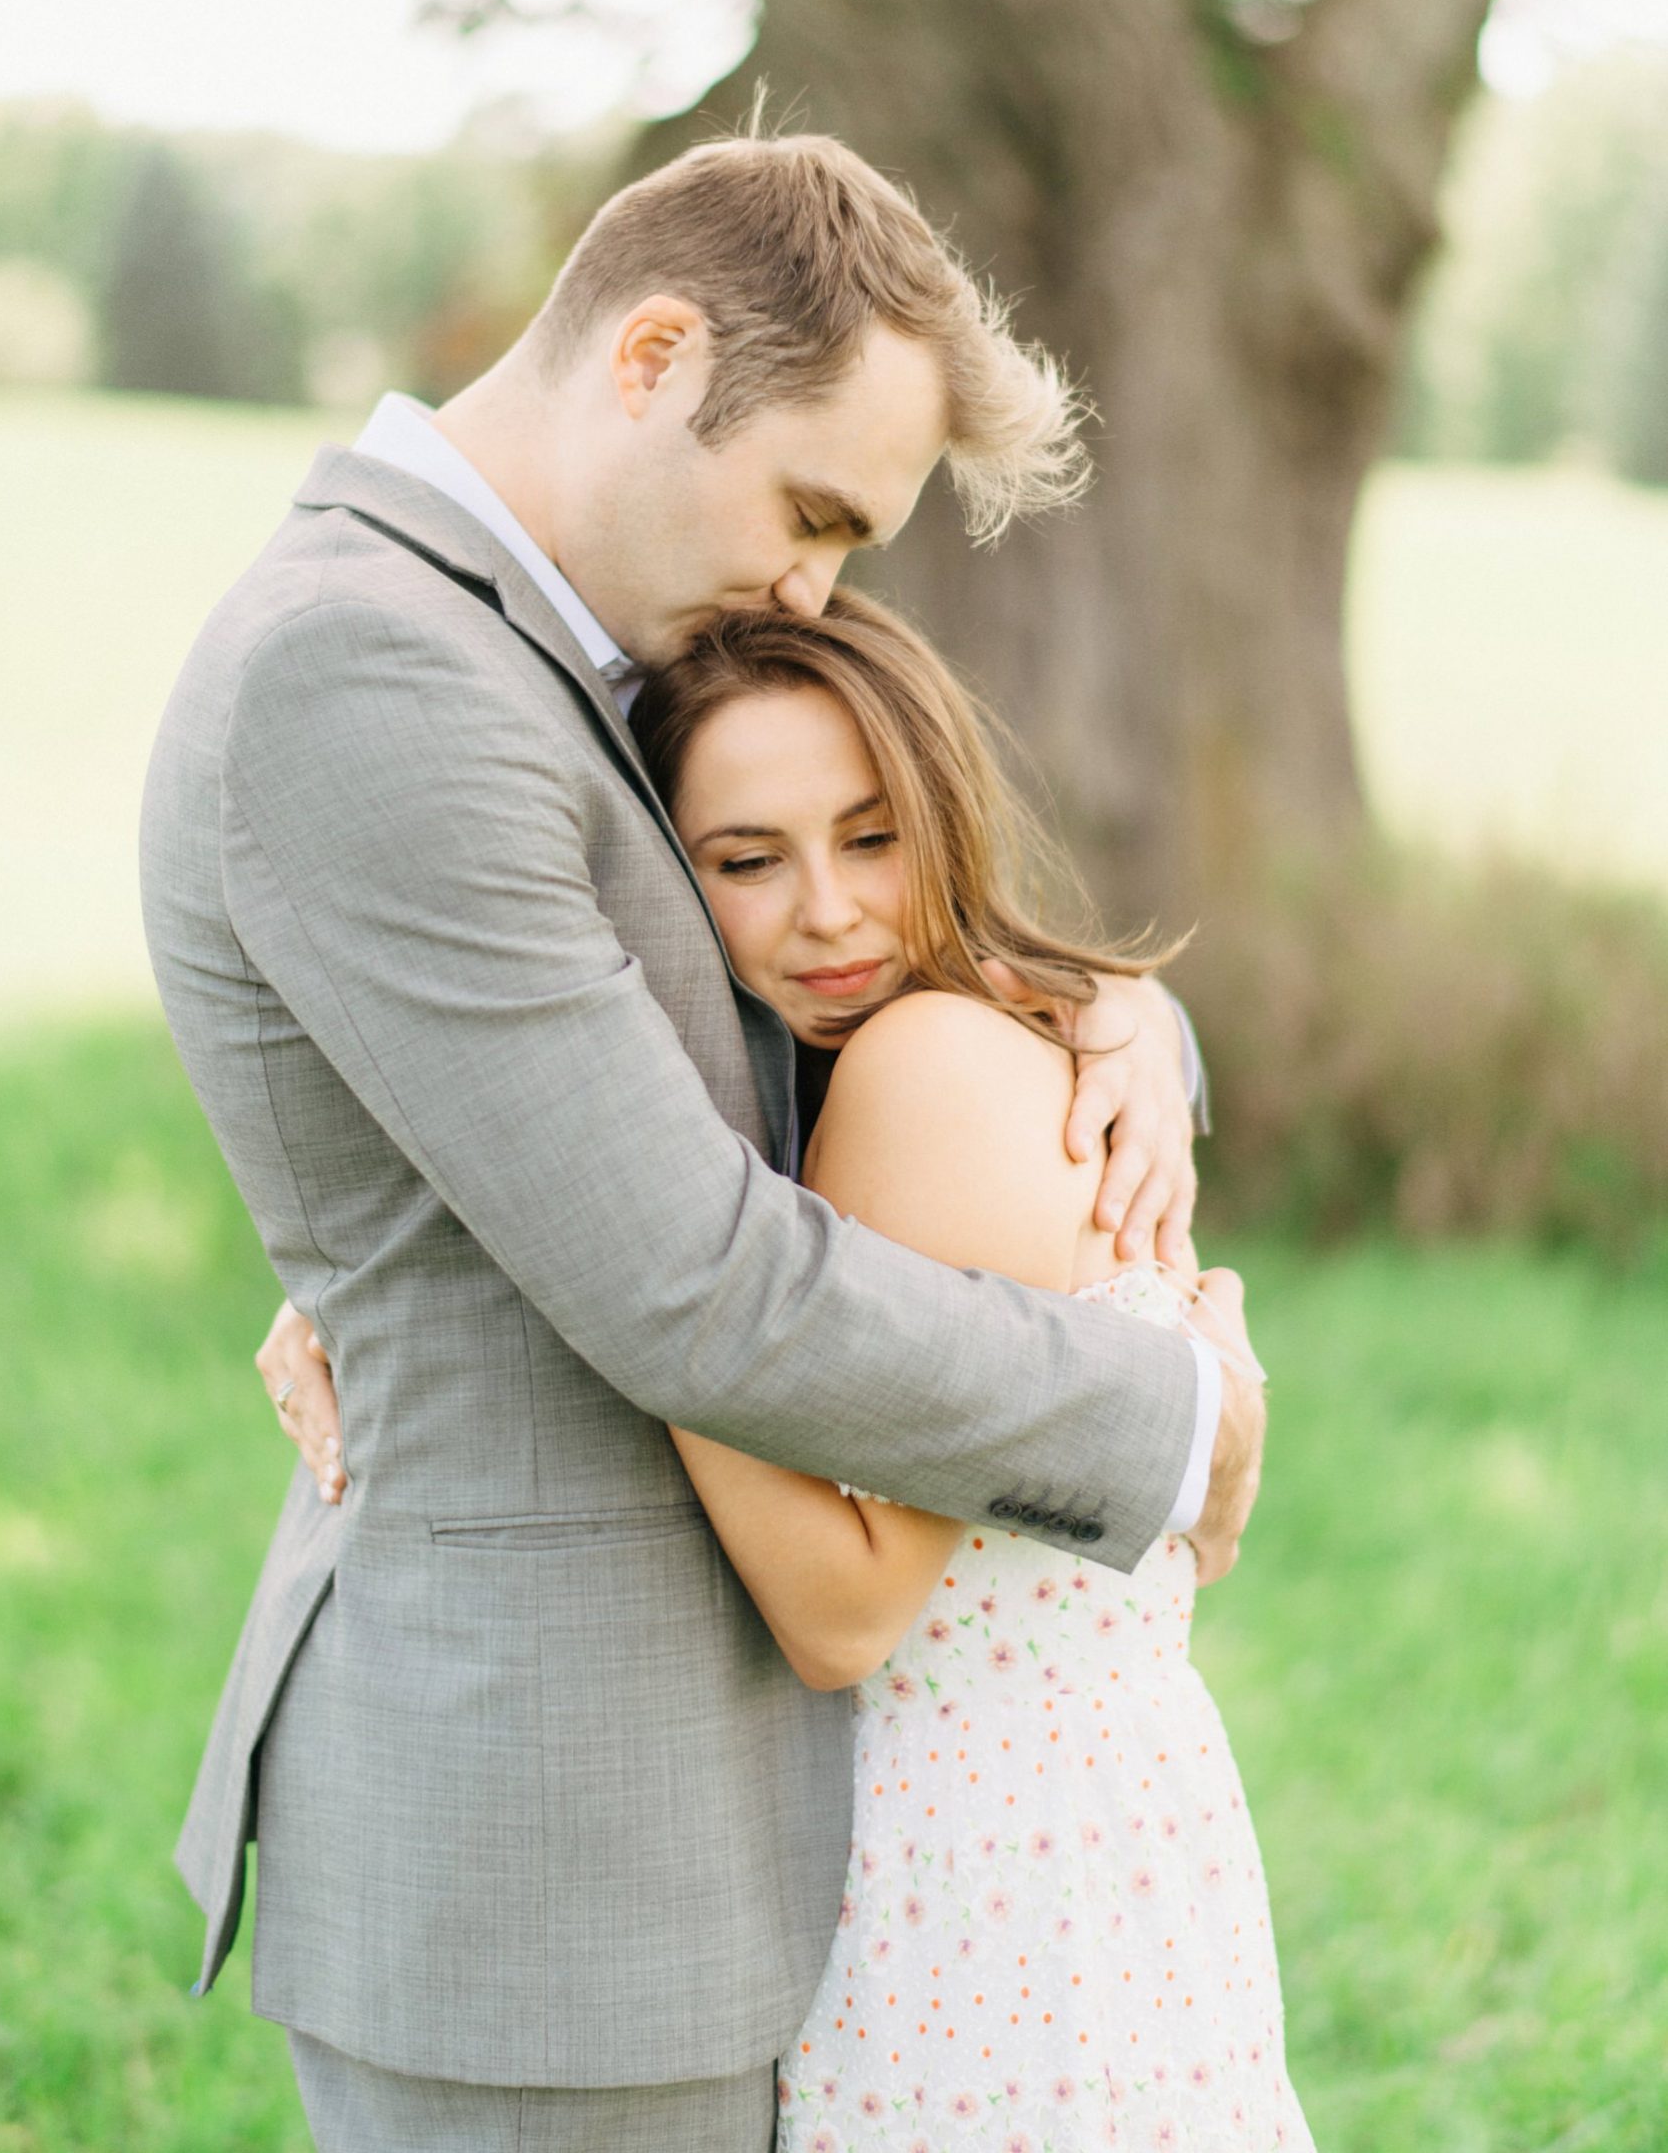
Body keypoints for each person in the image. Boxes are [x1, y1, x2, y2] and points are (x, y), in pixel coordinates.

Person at [144, 127, 1263, 2153]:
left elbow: (778, 1024)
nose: (811, 586)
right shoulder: (374, 668)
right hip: (554, 1866)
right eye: (814, 509)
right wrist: (1160, 1405)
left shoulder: (556, 657)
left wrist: (1103, 1007)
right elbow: (676, 1271)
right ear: (653, 355)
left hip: (708, 1857)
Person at [629, 590, 1308, 2150]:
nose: (829, 915)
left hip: (987, 1878)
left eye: (872, 839)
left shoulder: (923, 1071)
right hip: (1089, 1847)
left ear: (944, 809)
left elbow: (849, 1606)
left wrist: (608, 1268)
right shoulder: (967, 1043)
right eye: (746, 861)